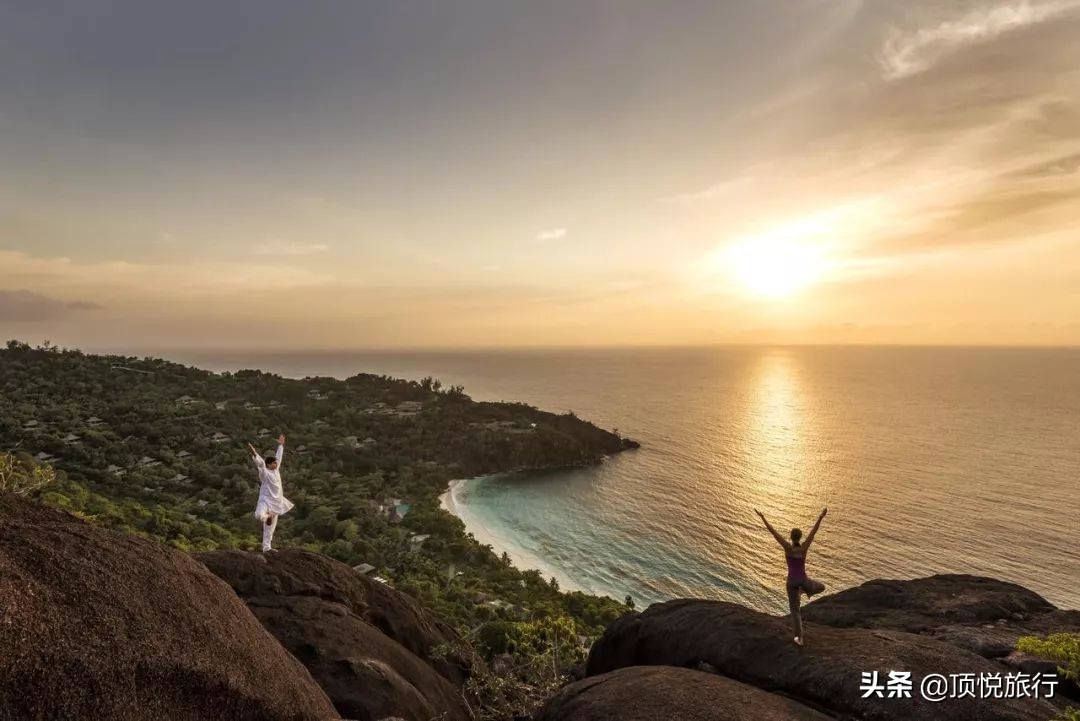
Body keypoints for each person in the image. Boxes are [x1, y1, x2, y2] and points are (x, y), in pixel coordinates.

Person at [754, 507, 828, 646]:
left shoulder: (787, 547)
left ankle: (799, 638)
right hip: (804, 580)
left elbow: (773, 532)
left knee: (795, 611)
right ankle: (805, 591)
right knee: (822, 587)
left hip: (791, 582)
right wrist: (821, 516)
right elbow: (814, 531)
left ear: (791, 537)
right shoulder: (804, 547)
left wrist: (762, 517)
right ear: (800, 537)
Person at [248, 434, 294, 552]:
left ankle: (267, 548)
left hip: (276, 502)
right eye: (273, 463)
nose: (276, 464)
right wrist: (254, 453)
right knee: (258, 516)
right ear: (269, 464)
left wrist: (281, 445)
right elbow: (261, 464)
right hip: (265, 500)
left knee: (270, 529)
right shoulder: (264, 473)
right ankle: (268, 516)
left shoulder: (276, 470)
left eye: (276, 463)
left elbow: (279, 457)